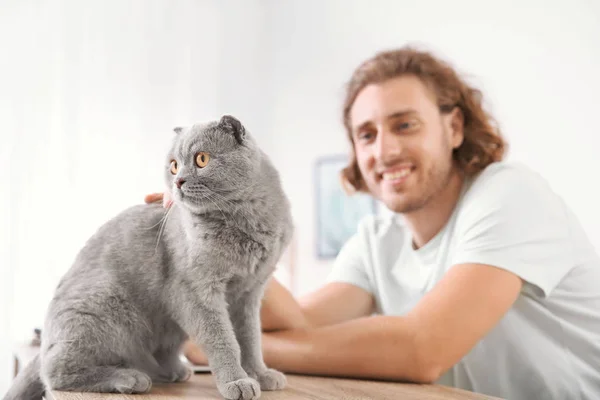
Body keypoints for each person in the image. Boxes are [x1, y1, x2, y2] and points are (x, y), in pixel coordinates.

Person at [145, 46, 600, 399]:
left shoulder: (510, 193)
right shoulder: (376, 240)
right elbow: (298, 322)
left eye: (404, 126)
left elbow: (424, 349)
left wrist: (228, 352)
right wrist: (210, 234)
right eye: (367, 134)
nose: (383, 151)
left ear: (455, 127)